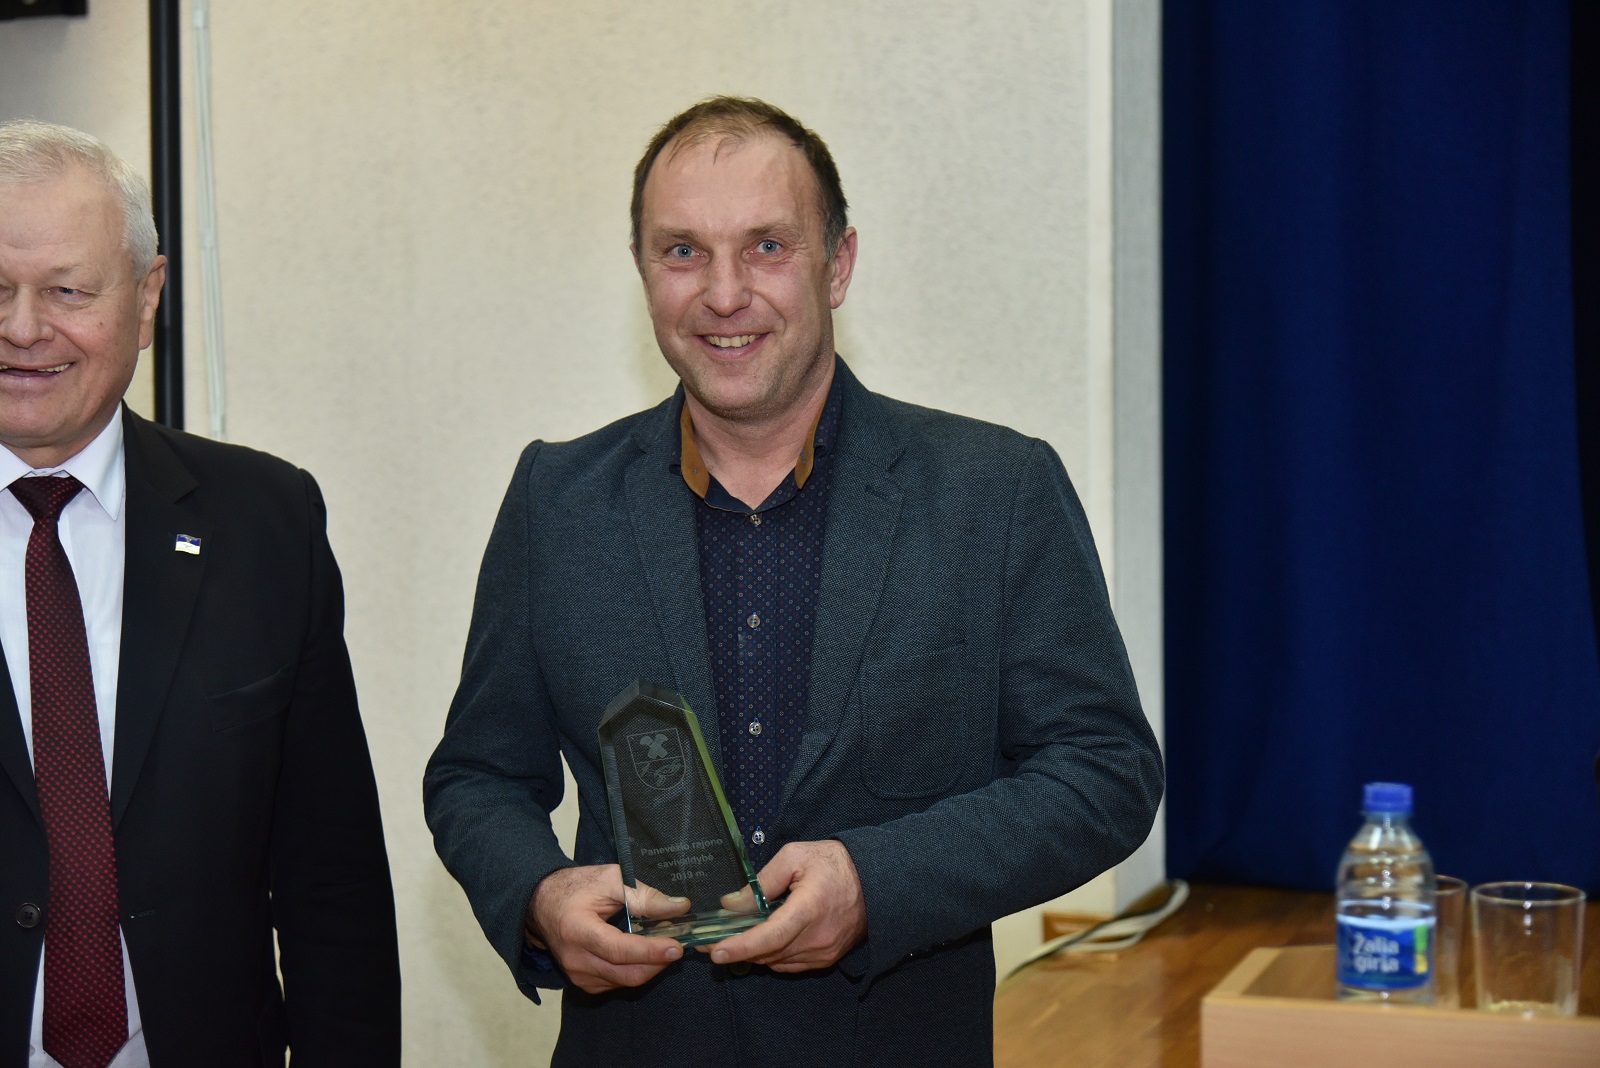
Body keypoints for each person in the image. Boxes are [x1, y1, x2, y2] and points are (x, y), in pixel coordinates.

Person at [424, 96, 1162, 1066]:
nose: (724, 293)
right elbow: (478, 776)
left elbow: (1104, 770)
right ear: (642, 270)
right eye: (682, 252)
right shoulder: (555, 501)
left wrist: (878, 882)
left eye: (766, 246)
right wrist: (538, 895)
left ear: (838, 264)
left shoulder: (996, 491)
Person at [0, 121, 400, 1067]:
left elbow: (331, 879)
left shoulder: (266, 521)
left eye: (67, 291)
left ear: (146, 299)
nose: (23, 327)